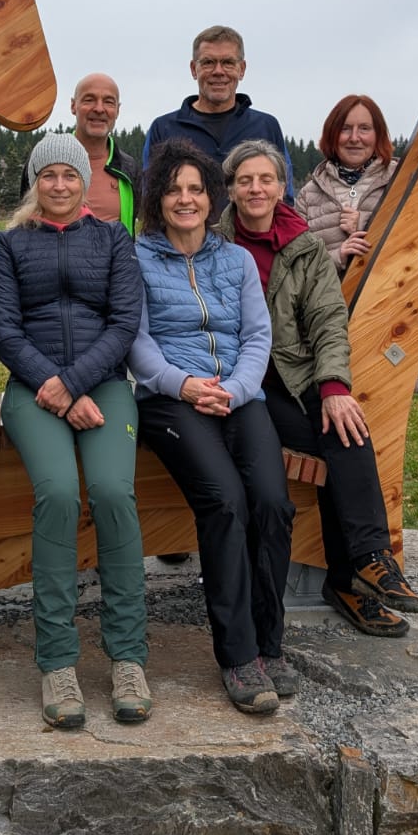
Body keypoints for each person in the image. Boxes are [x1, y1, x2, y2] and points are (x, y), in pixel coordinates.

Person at [221, 140, 418, 638]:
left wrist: (334, 386)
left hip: (293, 378)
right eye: (245, 180)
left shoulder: (305, 246)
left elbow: (329, 321)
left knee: (345, 426)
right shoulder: (213, 244)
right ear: (230, 190)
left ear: (281, 188)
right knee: (324, 449)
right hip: (243, 386)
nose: (255, 189)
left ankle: (369, 559)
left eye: (266, 179)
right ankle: (348, 578)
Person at [126, 139, 297, 715]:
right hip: (169, 398)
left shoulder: (237, 260)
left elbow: (257, 335)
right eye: (174, 189)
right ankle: (239, 656)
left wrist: (237, 390)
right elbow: (136, 341)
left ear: (211, 197)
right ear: (157, 197)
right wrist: (184, 385)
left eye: (196, 189)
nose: (186, 199)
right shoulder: (138, 259)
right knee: (225, 502)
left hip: (238, 395)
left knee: (272, 502)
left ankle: (270, 644)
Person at [0, 132, 149, 728]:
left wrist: (75, 384)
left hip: (103, 386)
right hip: (32, 390)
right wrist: (53, 385)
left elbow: (123, 322)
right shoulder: (9, 244)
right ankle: (57, 660)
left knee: (113, 493)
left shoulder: (112, 239)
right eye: (48, 174)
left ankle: (128, 655)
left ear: (86, 181)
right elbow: (4, 329)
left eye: (70, 174)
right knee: (57, 493)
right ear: (35, 181)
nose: (59, 185)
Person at [142, 25, 296, 204]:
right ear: (193, 69)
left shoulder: (266, 126)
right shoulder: (163, 128)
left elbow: (285, 197)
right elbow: (151, 198)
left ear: (242, 69)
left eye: (228, 63)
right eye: (208, 62)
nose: (218, 71)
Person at [16, 73, 141, 234]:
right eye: (89, 100)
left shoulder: (128, 169)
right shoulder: (42, 162)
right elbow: (26, 217)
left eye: (108, 102)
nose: (99, 109)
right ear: (73, 106)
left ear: (117, 110)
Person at [296, 95, 398, 275]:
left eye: (364, 128)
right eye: (345, 129)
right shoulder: (308, 195)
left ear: (378, 134)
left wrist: (365, 226)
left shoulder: (401, 181)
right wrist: (339, 257)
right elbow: (297, 266)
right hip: (329, 293)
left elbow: (417, 242)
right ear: (332, 134)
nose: (354, 138)